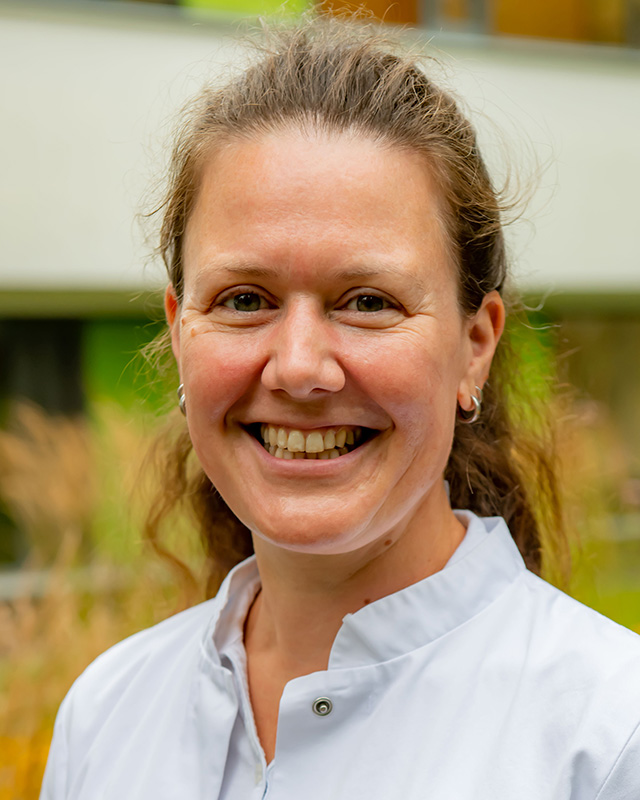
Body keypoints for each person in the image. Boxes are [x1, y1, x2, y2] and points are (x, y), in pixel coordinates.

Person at [41, 17, 640, 800]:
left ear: (475, 346)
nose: (299, 368)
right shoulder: (105, 719)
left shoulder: (608, 736)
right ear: (180, 332)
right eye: (244, 299)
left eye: (367, 301)